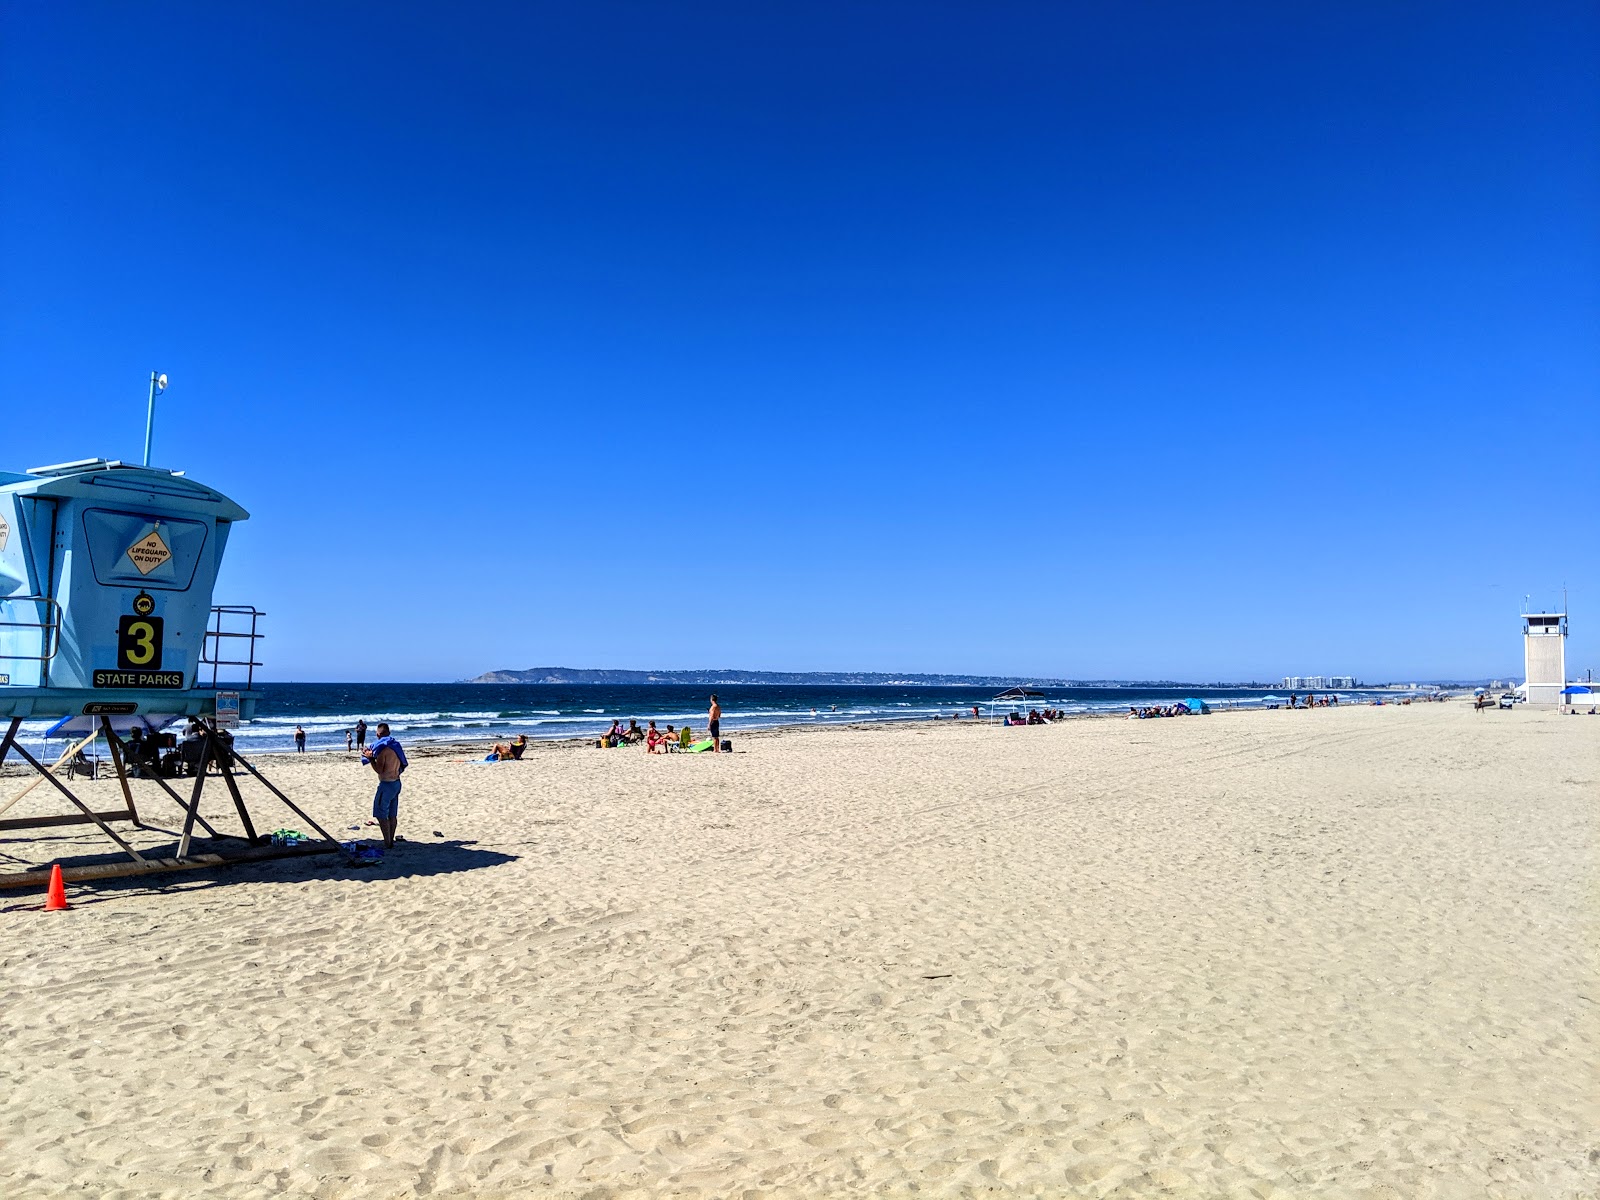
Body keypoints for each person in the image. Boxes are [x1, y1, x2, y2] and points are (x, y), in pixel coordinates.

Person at [362, 722, 407, 849]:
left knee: (381, 815)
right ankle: (390, 840)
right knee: (392, 814)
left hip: (386, 784)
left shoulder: (383, 751)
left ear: (378, 734)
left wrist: (371, 759)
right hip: (396, 782)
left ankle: (388, 842)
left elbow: (380, 770)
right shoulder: (396, 746)